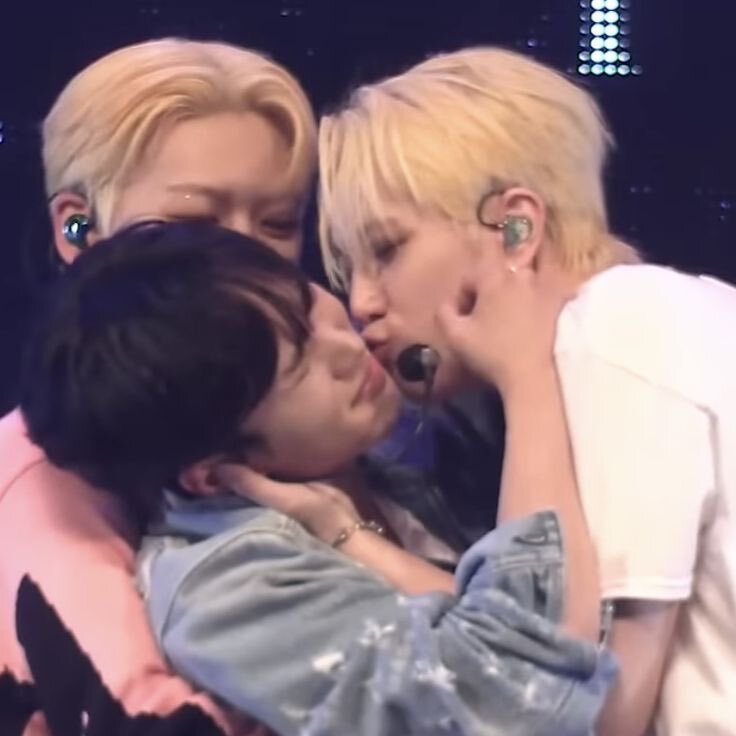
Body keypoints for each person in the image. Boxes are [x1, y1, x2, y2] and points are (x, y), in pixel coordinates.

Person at [20, 220, 614, 736]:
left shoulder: (390, 456)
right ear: (212, 474)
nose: (348, 345)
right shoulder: (233, 594)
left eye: (307, 305)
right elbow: (517, 697)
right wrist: (527, 374)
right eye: (300, 363)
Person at [318, 46, 736, 735]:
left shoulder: (622, 322)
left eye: (386, 250)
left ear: (516, 229)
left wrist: (525, 378)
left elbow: (573, 706)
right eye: (349, 267)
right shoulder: (672, 314)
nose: (362, 301)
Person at [0, 37, 315, 736]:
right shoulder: (38, 474)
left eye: (277, 224)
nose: (243, 256)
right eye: (192, 223)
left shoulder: (313, 429)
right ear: (76, 228)